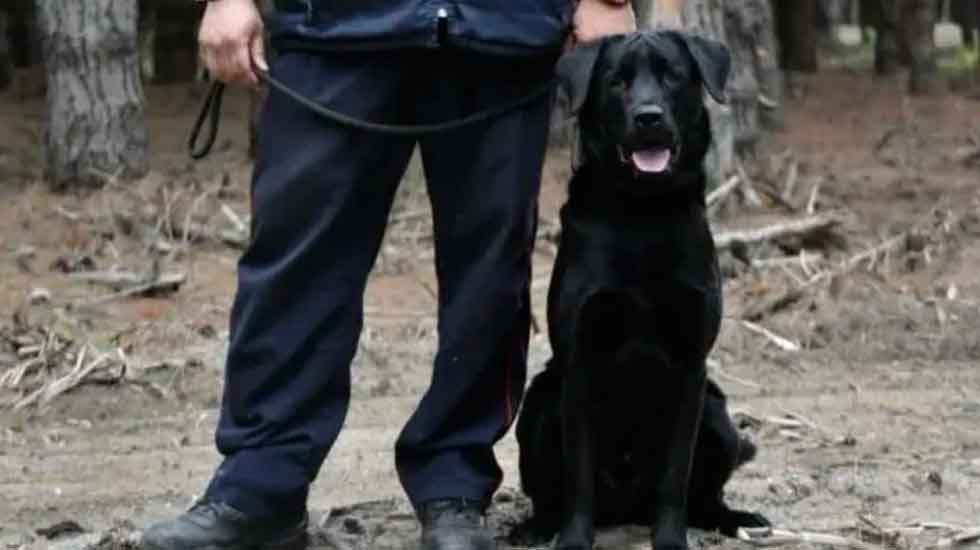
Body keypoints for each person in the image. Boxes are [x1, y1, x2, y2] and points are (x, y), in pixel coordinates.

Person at [141, 1, 635, 549]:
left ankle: (456, 489)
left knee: (490, 273)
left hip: (502, 30)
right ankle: (261, 486)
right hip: (332, 26)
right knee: (298, 264)